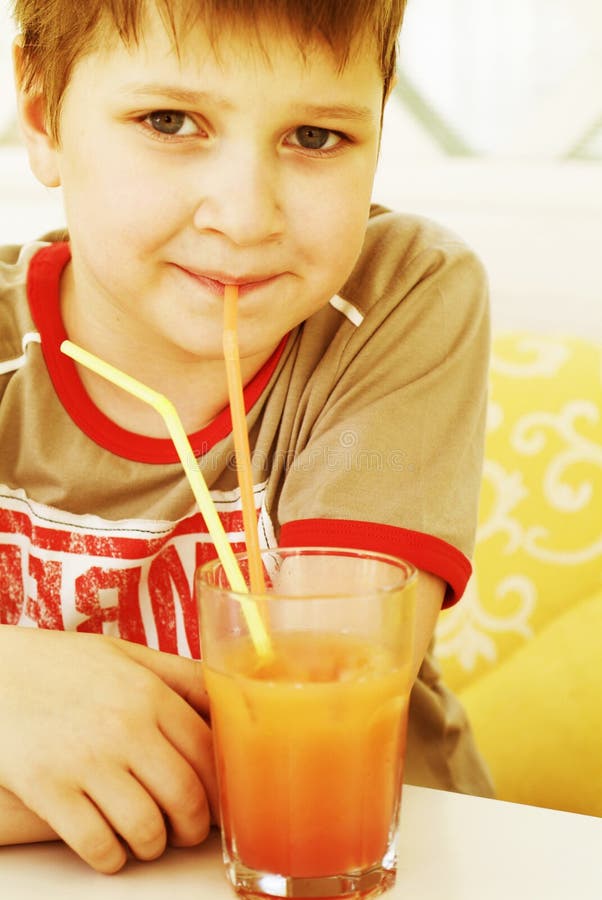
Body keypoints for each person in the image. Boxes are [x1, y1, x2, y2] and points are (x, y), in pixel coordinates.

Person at [0, 0, 493, 876]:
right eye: (169, 121)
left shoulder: (399, 297)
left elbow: (310, 717)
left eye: (315, 137)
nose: (244, 217)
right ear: (43, 118)